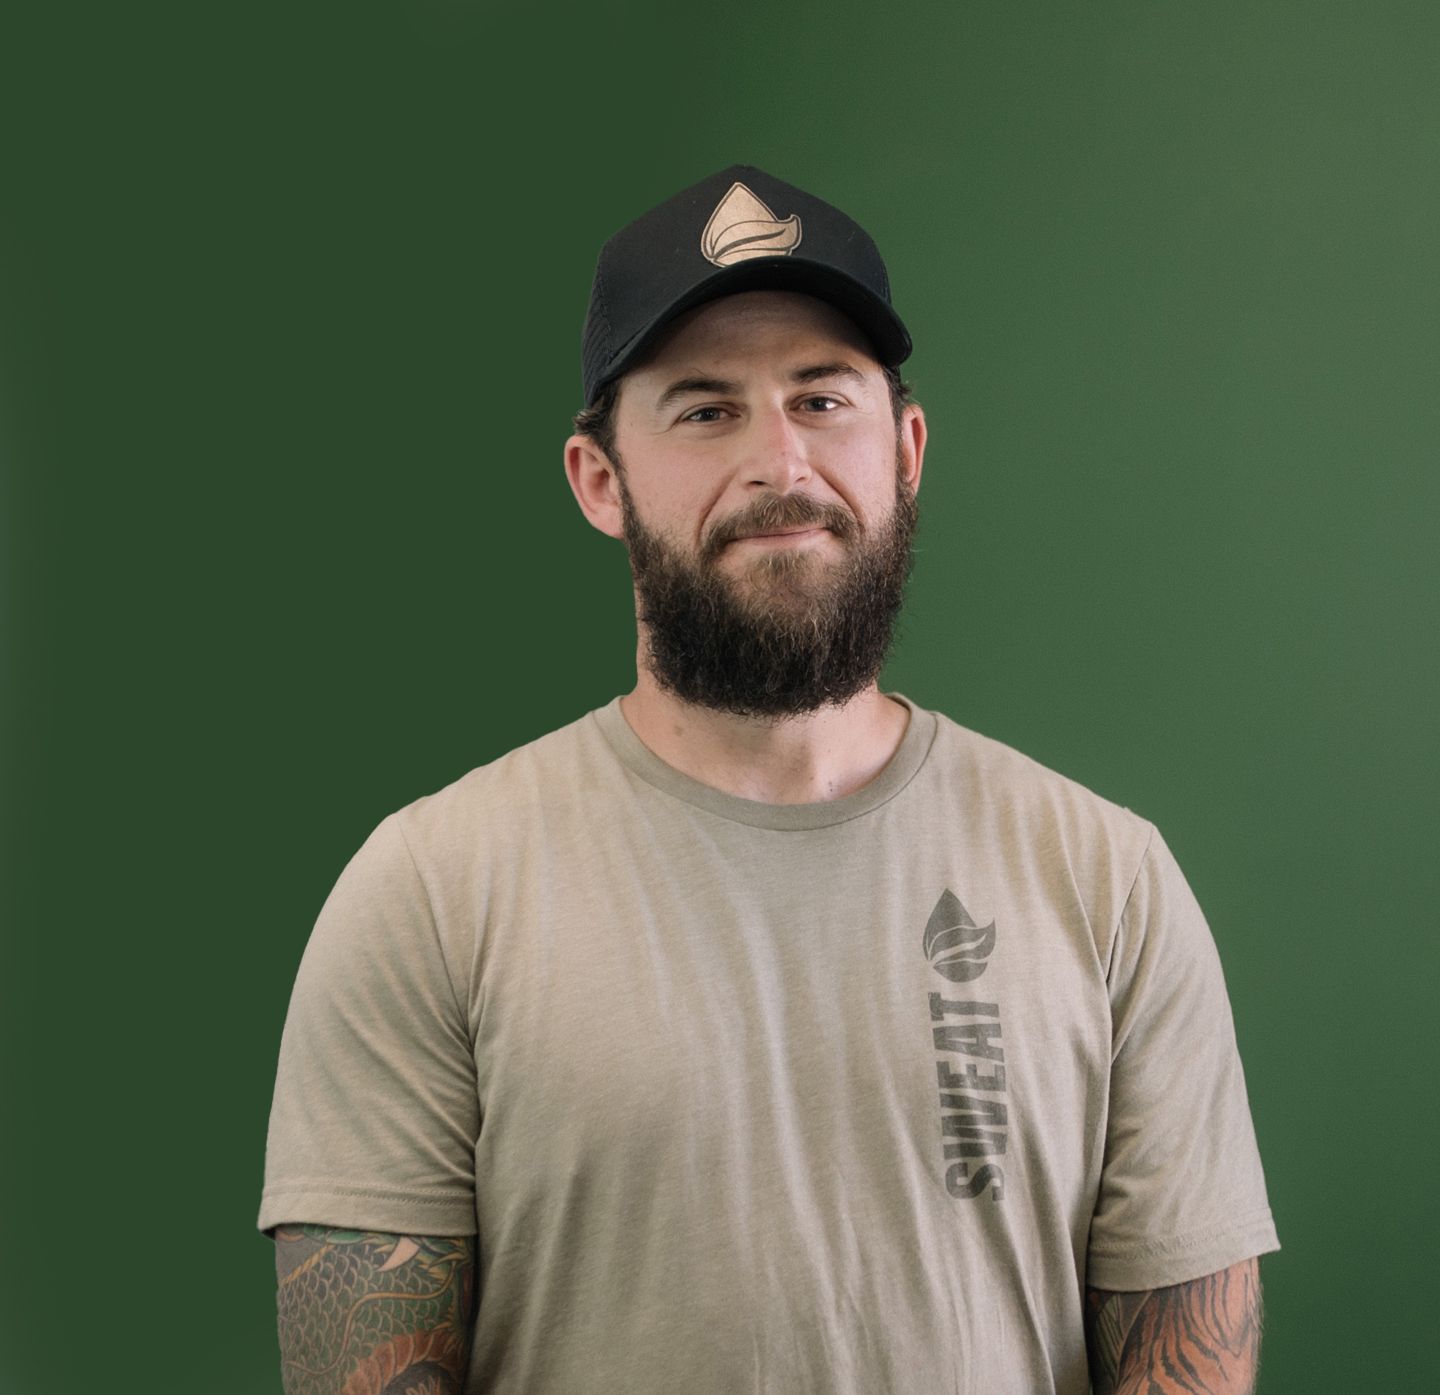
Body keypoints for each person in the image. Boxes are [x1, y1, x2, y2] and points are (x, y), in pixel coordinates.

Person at [258, 165, 1279, 1395]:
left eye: (821, 398)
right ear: (599, 478)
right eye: (704, 410)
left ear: (904, 450)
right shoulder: (429, 893)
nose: (780, 462)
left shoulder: (1108, 880)